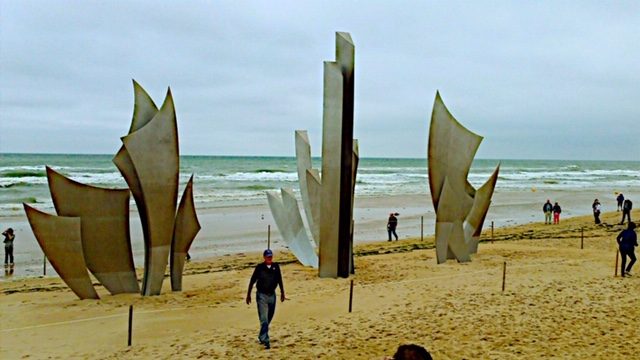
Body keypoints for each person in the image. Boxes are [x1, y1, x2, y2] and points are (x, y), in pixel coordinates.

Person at [246, 249, 286, 350]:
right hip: (262, 296)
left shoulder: (276, 267)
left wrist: (282, 292)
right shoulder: (260, 268)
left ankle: (261, 335)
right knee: (264, 319)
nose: (269, 258)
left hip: (272, 295)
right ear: (264, 257)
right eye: (268, 257)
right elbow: (252, 281)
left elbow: (279, 279)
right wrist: (248, 295)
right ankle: (265, 339)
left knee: (269, 318)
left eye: (271, 257)